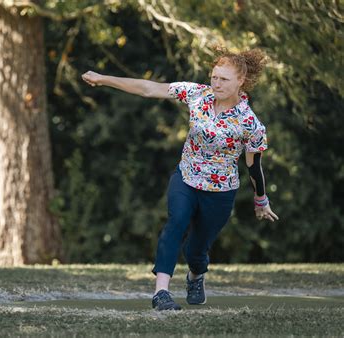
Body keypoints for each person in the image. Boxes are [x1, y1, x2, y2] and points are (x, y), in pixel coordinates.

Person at [81, 46, 279, 311]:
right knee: (176, 222)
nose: (216, 83)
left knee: (196, 250)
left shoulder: (250, 124)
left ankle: (196, 276)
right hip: (186, 178)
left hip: (220, 192)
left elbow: (253, 166)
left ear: (240, 81)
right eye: (214, 76)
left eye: (224, 79)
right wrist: (104, 79)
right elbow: (150, 88)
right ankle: (160, 293)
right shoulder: (197, 94)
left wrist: (261, 198)